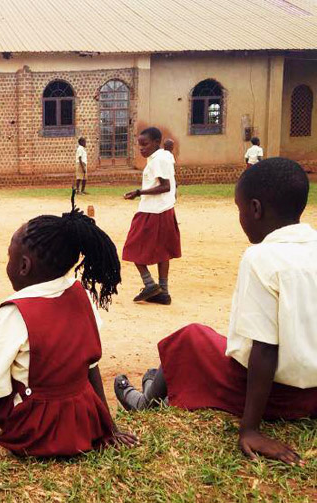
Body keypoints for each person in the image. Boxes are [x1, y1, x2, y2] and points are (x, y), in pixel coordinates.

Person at [114, 158, 317, 465]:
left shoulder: (261, 257)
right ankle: (156, 380)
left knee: (191, 338)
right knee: (206, 346)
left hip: (279, 395)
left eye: (240, 210)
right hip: (313, 394)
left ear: (255, 209)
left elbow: (264, 349)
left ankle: (145, 401)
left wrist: (250, 429)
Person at [0, 194, 139, 457]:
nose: (7, 263)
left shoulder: (14, 311)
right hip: (83, 421)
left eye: (9, 256)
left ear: (23, 266)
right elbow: (91, 365)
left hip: (36, 429)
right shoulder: (81, 294)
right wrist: (108, 426)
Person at [122, 127, 180, 305]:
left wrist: (139, 192)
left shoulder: (157, 161)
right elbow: (169, 152)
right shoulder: (164, 156)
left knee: (131, 247)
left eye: (145, 144)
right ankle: (163, 292)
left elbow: (166, 186)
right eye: (139, 145)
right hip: (165, 209)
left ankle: (150, 284)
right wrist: (168, 147)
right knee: (163, 251)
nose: (141, 149)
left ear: (156, 142)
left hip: (152, 211)